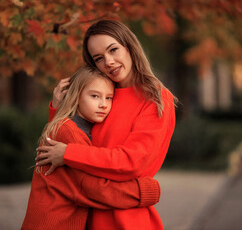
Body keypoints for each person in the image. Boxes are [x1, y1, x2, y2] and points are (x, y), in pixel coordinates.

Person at [36, 20, 177, 230]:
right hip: (87, 213)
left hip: (126, 219)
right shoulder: (104, 96)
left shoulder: (155, 98)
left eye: (113, 50)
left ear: (129, 46)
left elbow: (131, 162)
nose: (108, 62)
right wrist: (57, 110)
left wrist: (68, 154)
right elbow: (72, 143)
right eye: (99, 58)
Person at [22, 66, 161, 230]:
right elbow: (92, 189)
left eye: (109, 98)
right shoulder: (70, 132)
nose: (103, 104)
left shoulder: (71, 127)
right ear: (76, 96)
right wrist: (145, 191)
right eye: (95, 96)